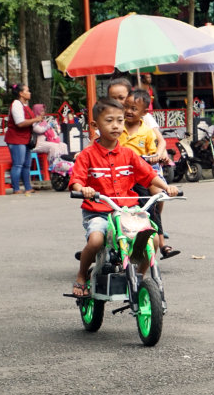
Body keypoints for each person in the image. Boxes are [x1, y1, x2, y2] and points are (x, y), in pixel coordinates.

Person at [69, 97, 179, 298]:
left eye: (120, 121)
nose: (115, 126)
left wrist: (167, 187)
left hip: (128, 211)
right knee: (95, 240)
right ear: (95, 125)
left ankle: (138, 276)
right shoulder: (87, 155)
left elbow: (149, 175)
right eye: (109, 121)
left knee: (152, 241)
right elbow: (76, 180)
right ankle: (82, 275)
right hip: (100, 212)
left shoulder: (129, 154)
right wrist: (83, 189)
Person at [119, 89, 179, 260]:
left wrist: (156, 157)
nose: (129, 111)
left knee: (151, 204)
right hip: (119, 175)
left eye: (134, 109)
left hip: (140, 175)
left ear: (144, 113)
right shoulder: (117, 126)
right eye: (127, 107)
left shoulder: (146, 131)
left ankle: (158, 242)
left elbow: (153, 151)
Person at [4, 84, 44, 195]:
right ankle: (16, 188)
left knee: (27, 164)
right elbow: (20, 123)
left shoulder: (25, 105)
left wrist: (38, 120)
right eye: (27, 90)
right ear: (21, 93)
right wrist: (36, 119)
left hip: (25, 138)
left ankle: (27, 187)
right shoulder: (16, 104)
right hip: (16, 138)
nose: (30, 92)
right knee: (18, 164)